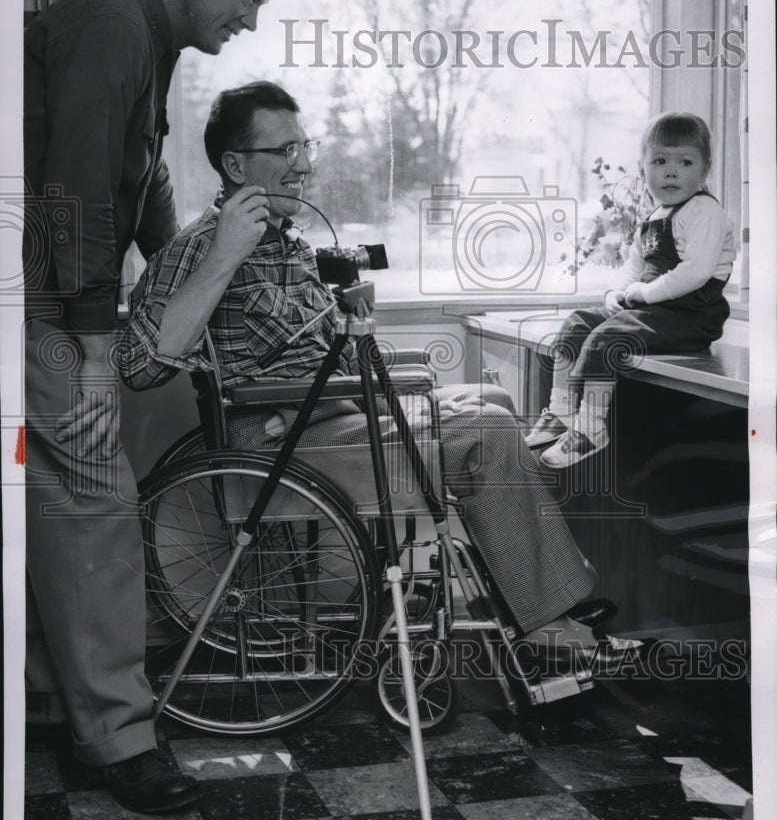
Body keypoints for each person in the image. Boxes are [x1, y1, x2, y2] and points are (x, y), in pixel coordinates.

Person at [117, 80, 633, 680]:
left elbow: (309, 346)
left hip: (329, 417)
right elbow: (139, 366)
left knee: (492, 400)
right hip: (282, 443)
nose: (304, 164)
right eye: (284, 151)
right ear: (234, 165)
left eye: (303, 146)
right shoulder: (203, 244)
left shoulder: (285, 241)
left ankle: (525, 597)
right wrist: (224, 256)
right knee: (489, 429)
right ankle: (549, 621)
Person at [23, 0, 283, 814]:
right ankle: (120, 737)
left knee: (62, 501)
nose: (248, 19)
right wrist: (95, 357)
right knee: (95, 494)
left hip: (56, 294)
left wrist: (183, 265)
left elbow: (142, 184)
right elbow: (75, 198)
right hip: (42, 296)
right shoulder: (108, 27)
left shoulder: (144, 42)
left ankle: (57, 699)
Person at [526, 111, 738, 468]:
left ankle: (592, 428)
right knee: (578, 323)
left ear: (705, 170)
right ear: (643, 171)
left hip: (690, 318)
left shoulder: (704, 211)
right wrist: (615, 294)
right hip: (654, 312)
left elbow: (696, 273)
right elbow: (633, 267)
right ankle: (561, 410)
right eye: (660, 161)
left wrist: (641, 294)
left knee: (608, 338)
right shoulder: (654, 217)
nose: (671, 171)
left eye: (685, 162)